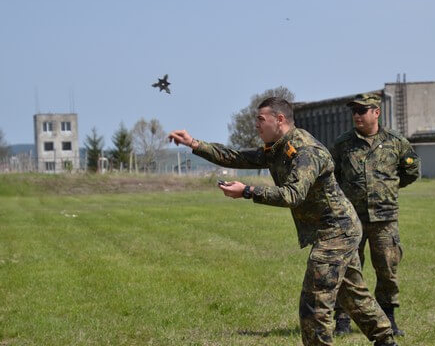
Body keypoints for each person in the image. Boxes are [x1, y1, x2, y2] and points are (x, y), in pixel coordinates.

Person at [168, 97, 398, 346]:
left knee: (314, 302)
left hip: (337, 231)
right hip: (333, 229)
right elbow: (235, 157)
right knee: (353, 294)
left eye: (260, 120)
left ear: (279, 120)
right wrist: (193, 143)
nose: (256, 125)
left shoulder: (305, 152)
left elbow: (292, 195)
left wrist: (247, 191)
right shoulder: (277, 147)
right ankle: (387, 341)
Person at [329, 93, 420, 336]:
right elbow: (332, 176)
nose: (357, 115)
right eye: (354, 111)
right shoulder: (342, 144)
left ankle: (388, 318)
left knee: (387, 270)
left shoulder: (396, 142)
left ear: (376, 112)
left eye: (362, 110)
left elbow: (411, 171)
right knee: (348, 271)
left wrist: (387, 188)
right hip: (352, 219)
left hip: (385, 218)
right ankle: (343, 320)